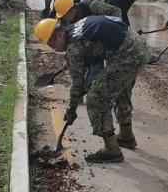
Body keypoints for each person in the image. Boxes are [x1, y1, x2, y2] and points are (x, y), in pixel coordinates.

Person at [34, 15, 149, 163]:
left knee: (96, 96)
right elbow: (95, 49)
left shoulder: (73, 47)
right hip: (139, 47)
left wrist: (71, 110)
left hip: (127, 56)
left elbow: (78, 85)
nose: (54, 49)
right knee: (120, 88)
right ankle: (126, 136)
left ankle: (112, 150)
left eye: (53, 44)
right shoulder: (75, 29)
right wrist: (79, 62)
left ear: (60, 34)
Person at [54, 0, 120, 25]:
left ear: (71, 10)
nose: (65, 19)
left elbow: (116, 10)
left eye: (65, 16)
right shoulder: (71, 21)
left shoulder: (93, 6)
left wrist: (115, 29)